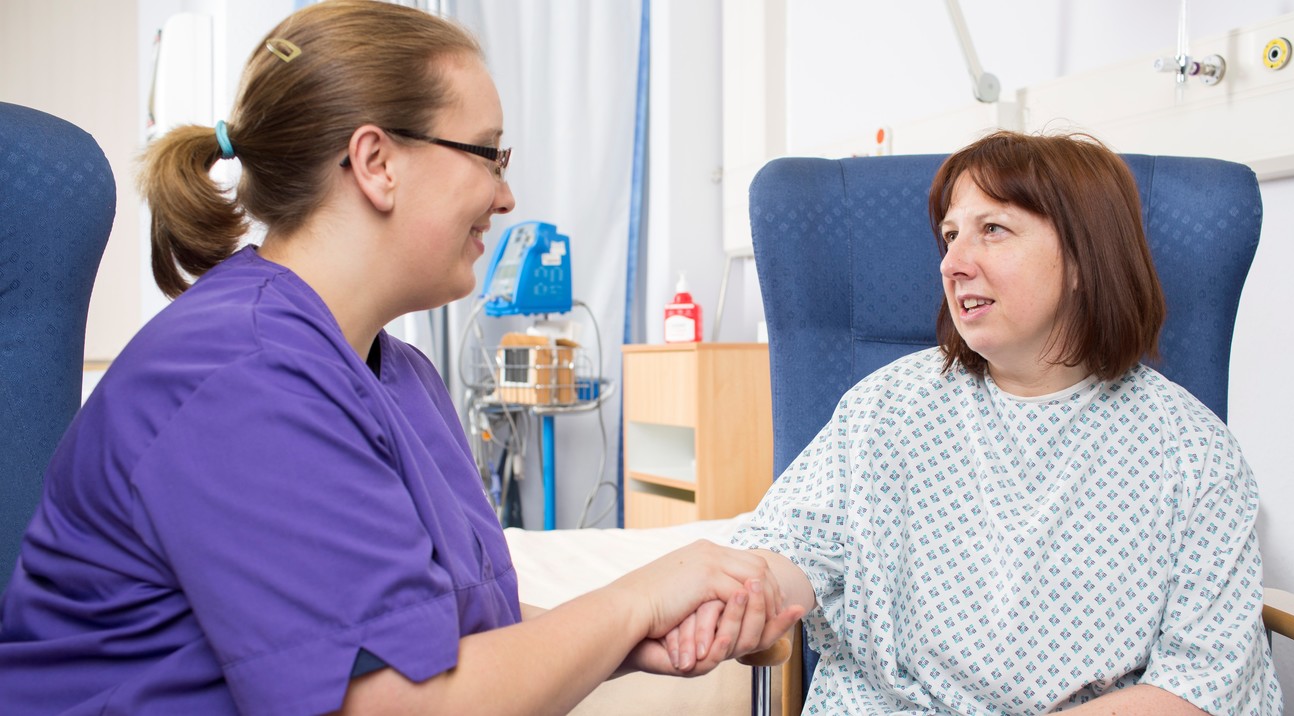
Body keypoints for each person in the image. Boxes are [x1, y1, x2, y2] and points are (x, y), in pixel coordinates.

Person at [0, 2, 800, 713]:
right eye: (489, 154)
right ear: (376, 162)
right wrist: (635, 599)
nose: (506, 194)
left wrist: (636, 637)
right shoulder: (238, 379)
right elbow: (392, 702)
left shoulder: (397, 373)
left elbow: (431, 636)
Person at [732, 131, 1283, 714]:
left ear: (1084, 257)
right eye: (949, 236)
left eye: (992, 229)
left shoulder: (1192, 451)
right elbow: (788, 549)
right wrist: (750, 600)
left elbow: (1199, 683)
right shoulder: (887, 408)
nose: (953, 263)